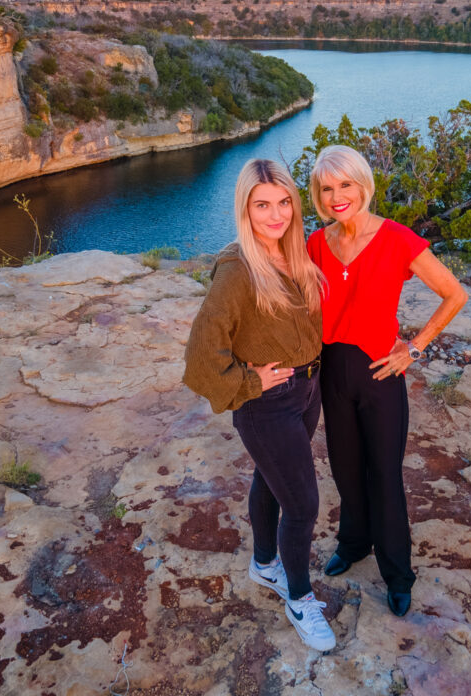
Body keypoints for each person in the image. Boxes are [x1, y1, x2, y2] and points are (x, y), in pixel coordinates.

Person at [306, 145, 468, 617]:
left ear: (363, 185)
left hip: (380, 376)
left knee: (385, 477)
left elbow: (454, 294)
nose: (338, 196)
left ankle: (398, 573)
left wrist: (413, 349)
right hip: (331, 372)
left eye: (346, 185)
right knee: (345, 470)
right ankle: (354, 544)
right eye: (327, 188)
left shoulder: (398, 239)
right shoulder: (317, 242)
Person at [183, 158, 336, 652]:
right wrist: (249, 380)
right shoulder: (238, 267)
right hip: (266, 401)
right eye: (261, 205)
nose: (275, 215)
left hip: (307, 389)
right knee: (304, 502)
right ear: (244, 209)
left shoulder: (297, 253)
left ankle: (264, 564)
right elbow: (203, 354)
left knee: (270, 480)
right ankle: (298, 597)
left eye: (284, 202)